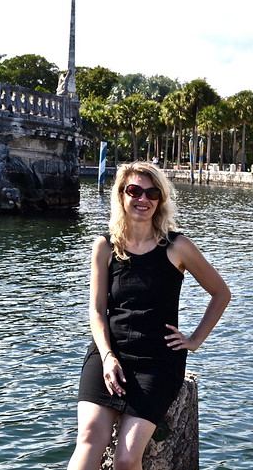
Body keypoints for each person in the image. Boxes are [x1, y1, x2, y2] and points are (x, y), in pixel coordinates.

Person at [68, 161, 230, 470]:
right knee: (89, 437)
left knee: (127, 458)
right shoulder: (105, 246)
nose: (143, 199)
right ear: (121, 196)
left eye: (152, 193)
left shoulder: (177, 247)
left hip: (158, 360)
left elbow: (221, 293)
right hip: (110, 353)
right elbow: (96, 311)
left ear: (160, 200)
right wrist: (107, 357)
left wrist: (195, 340)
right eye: (135, 191)